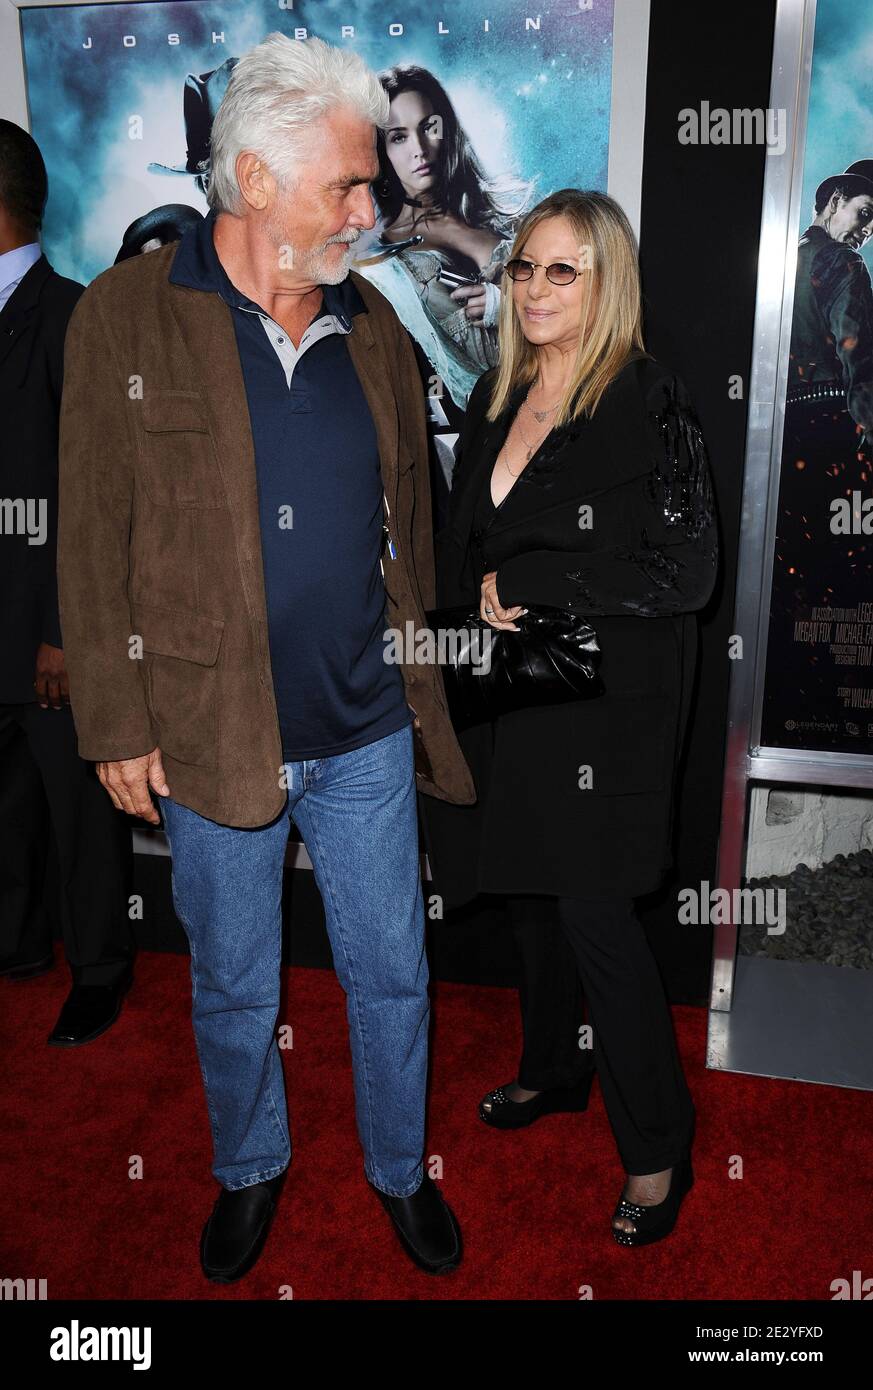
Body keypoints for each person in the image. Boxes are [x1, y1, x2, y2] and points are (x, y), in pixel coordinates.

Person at [57, 33, 475, 1283]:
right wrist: (113, 719)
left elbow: (413, 511)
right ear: (251, 173)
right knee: (235, 984)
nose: (373, 205)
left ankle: (399, 1170)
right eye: (349, 184)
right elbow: (90, 533)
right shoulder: (125, 313)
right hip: (206, 726)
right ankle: (249, 1167)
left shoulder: (376, 320)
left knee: (393, 972)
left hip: (364, 729)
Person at [420, 188, 719, 1246]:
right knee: (532, 900)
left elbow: (686, 570)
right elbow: (473, 547)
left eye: (565, 270)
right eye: (525, 268)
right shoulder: (499, 394)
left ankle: (658, 1145)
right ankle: (554, 1067)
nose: (538, 289)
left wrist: (553, 583)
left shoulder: (647, 397)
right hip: (518, 692)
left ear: (606, 284)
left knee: (594, 917)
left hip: (606, 709)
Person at [0, 119, 135, 1042]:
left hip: (49, 631)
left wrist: (65, 630)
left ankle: (100, 967)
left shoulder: (74, 314)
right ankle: (16, 943)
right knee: (5, 808)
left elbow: (92, 488)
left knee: (81, 812)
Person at [762, 159, 873, 748]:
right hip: (831, 432)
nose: (867, 230)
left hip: (776, 437)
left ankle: (786, 712)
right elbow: (861, 361)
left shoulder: (778, 261)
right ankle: (833, 726)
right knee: (841, 582)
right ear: (833, 202)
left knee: (785, 584)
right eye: (864, 213)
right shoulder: (844, 267)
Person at [354, 64, 532, 409]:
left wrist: (504, 307)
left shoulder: (507, 218)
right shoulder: (383, 261)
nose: (418, 148)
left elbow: (580, 319)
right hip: (475, 428)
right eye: (398, 137)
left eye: (428, 127)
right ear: (381, 151)